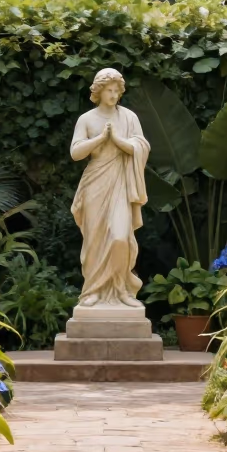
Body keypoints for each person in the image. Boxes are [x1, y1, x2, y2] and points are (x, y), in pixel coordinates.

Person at [69, 68, 150, 308]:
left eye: (117, 91)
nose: (114, 95)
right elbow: (75, 152)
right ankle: (92, 291)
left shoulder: (129, 117)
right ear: (99, 91)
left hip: (121, 184)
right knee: (94, 238)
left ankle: (122, 289)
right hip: (95, 182)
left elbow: (141, 147)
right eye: (109, 90)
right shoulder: (87, 119)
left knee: (119, 237)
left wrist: (117, 140)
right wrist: (100, 139)